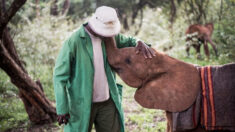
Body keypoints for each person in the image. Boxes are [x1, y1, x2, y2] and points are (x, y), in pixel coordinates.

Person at [53, 6, 155, 132]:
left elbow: (129, 40)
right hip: (81, 104)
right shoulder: (74, 41)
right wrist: (62, 108)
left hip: (107, 101)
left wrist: (139, 41)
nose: (108, 34)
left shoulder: (110, 38)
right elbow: (59, 76)